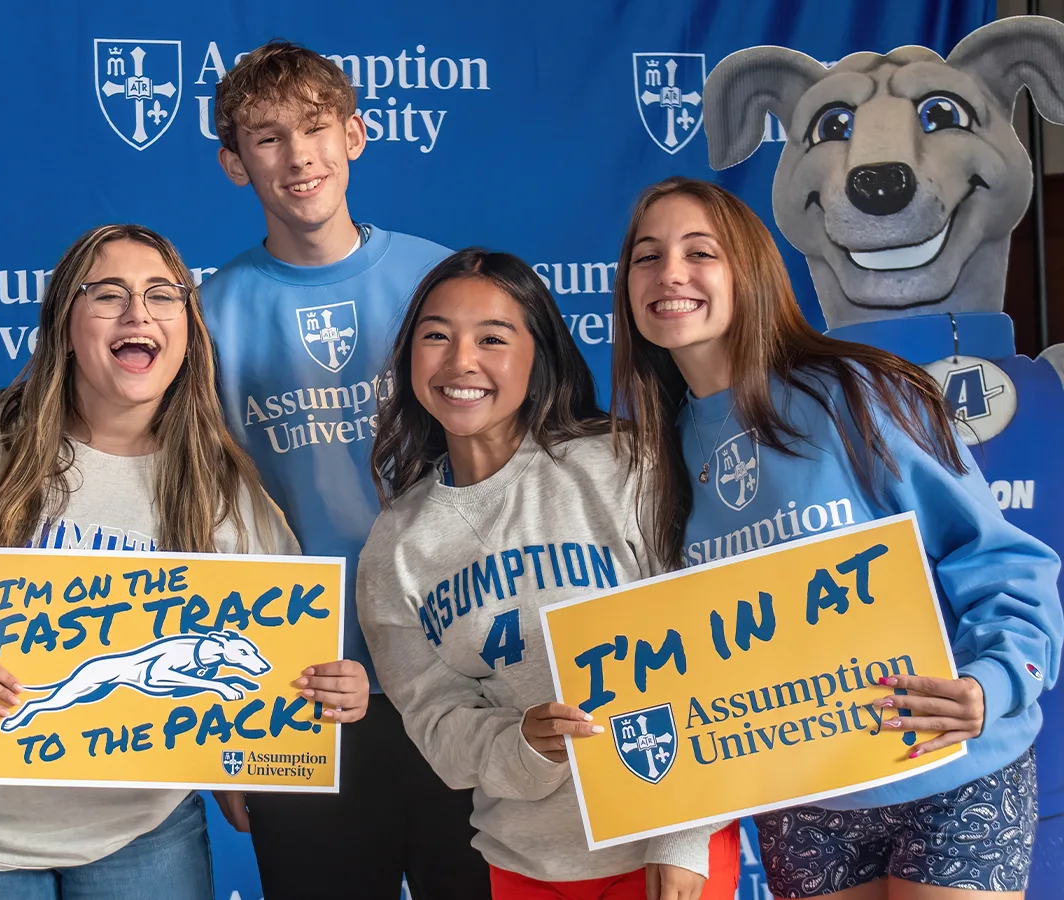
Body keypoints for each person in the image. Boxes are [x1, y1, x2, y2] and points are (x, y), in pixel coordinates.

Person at [610, 176, 1062, 899]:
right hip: (806, 794)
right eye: (646, 256)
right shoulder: (650, 453)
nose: (670, 274)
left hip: (947, 764)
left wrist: (995, 685)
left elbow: (1000, 559)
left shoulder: (853, 392)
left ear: (750, 272)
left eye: (701, 252)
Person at [0, 223, 369, 900]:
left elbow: (284, 655)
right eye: (109, 296)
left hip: (143, 832)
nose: (138, 314)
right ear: (65, 323)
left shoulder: (224, 485)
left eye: (161, 295)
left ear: (187, 326)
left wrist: (328, 693)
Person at [357, 248, 740, 900]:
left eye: (493, 339)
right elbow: (439, 724)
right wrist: (525, 748)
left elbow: (712, 650)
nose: (461, 362)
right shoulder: (394, 548)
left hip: (668, 847)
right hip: (528, 865)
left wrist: (684, 837)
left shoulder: (623, 465)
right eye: (436, 337)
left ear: (539, 358)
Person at [201, 40, 488, 899]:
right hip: (304, 686)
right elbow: (202, 512)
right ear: (233, 163)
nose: (298, 158)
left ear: (356, 134)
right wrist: (225, 733)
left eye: (315, 128)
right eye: (266, 138)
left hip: (457, 665)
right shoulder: (209, 312)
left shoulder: (439, 279)